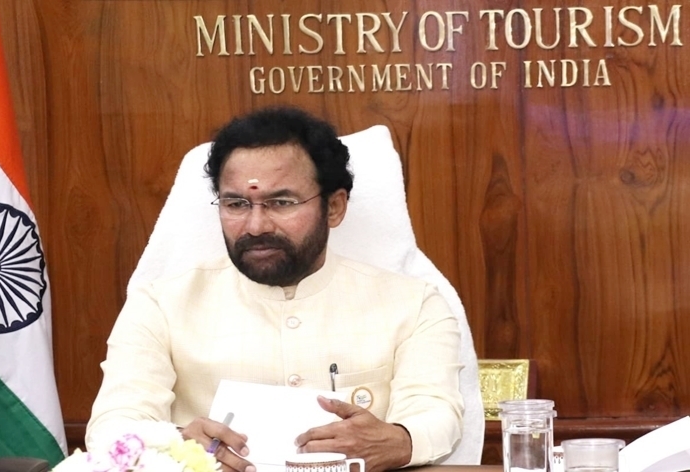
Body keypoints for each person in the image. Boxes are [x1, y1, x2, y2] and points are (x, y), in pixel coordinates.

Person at [86, 106, 464, 472]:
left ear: (334, 207)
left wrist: (399, 440)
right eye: (236, 203)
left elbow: (436, 412)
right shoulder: (161, 305)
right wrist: (176, 441)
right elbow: (112, 425)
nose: (255, 226)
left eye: (281, 202)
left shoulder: (413, 304)